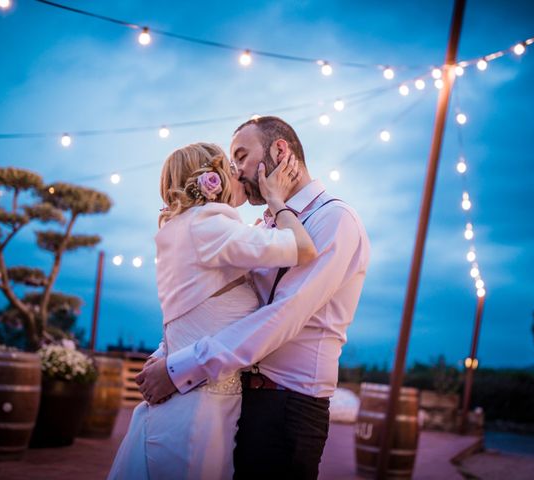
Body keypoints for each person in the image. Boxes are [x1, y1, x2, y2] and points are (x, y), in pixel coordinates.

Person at [138, 116, 370, 479]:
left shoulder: (334, 220)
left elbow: (281, 317)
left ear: (279, 150)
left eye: (241, 156)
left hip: (289, 405)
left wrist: (179, 368)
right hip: (239, 395)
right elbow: (215, 305)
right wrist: (166, 353)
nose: (235, 170)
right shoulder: (264, 227)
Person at [108, 142, 317, 480]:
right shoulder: (208, 225)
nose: (241, 177)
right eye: (233, 171)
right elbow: (304, 248)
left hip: (192, 401)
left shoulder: (183, 229)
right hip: (196, 412)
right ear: (214, 179)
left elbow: (194, 312)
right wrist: (277, 201)